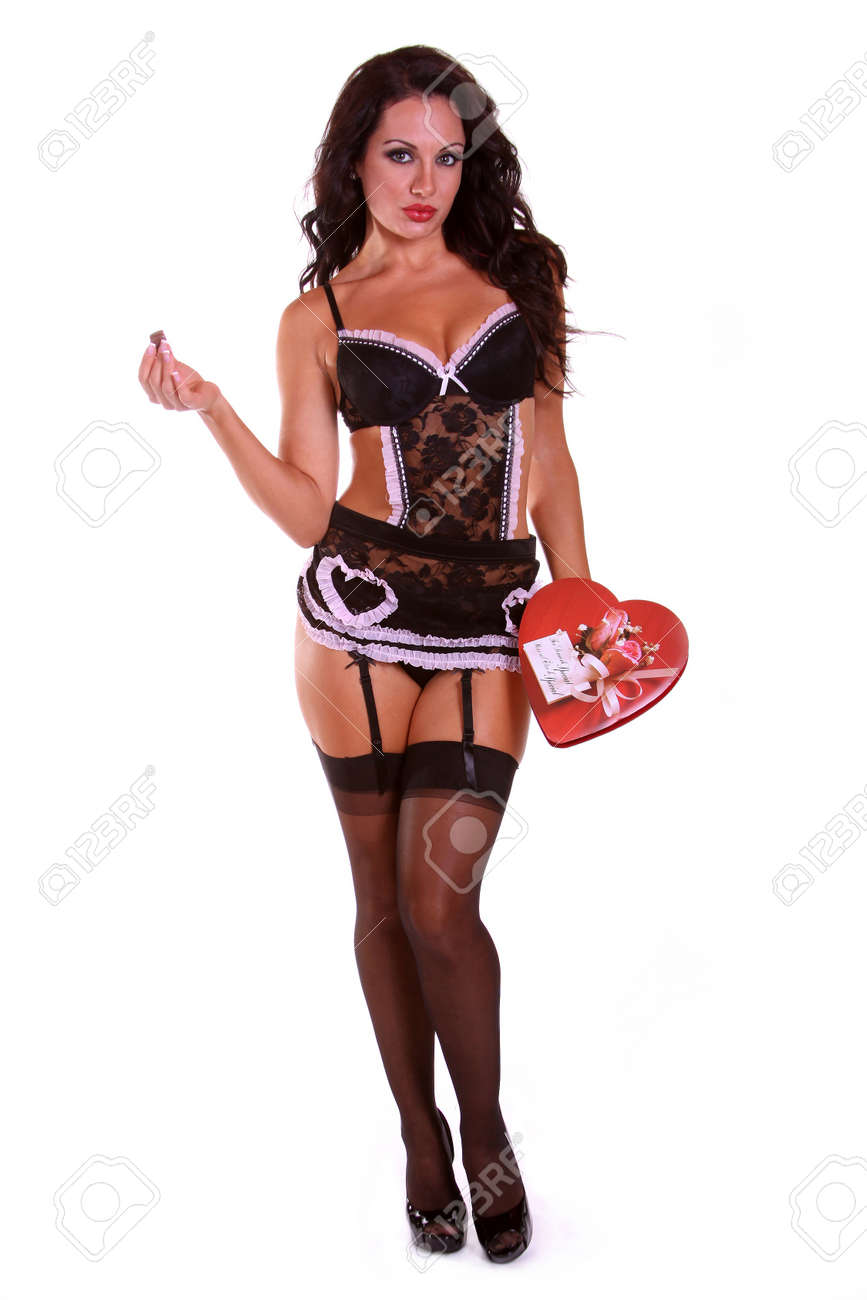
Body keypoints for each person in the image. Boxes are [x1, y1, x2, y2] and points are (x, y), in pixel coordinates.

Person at [138, 44, 590, 1264]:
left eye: (447, 156)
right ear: (354, 163)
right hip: (357, 624)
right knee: (382, 904)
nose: (424, 181)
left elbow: (549, 461)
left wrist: (579, 600)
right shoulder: (319, 318)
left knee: (444, 904)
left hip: (492, 625)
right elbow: (307, 507)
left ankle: (483, 1129)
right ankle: (418, 1135)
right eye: (399, 154)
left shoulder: (524, 278)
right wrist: (214, 411)